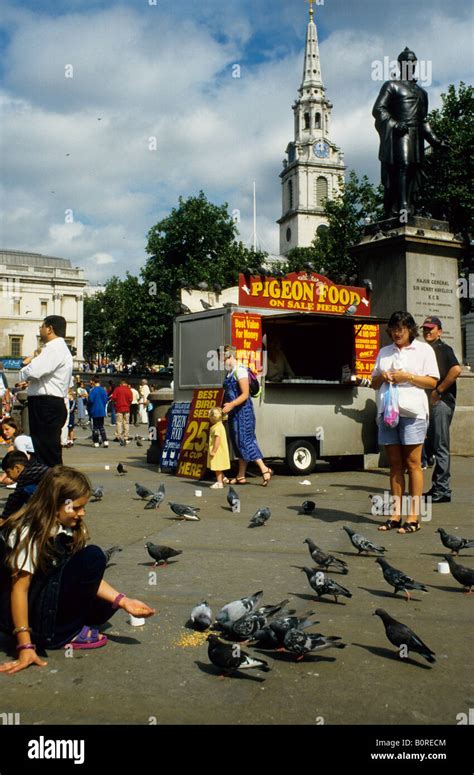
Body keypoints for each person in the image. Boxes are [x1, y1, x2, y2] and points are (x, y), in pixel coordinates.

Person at [0, 466, 155, 672]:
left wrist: (124, 601)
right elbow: (19, 590)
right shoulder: (29, 532)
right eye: (76, 507)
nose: (82, 513)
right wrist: (25, 645)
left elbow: (84, 576)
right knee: (94, 557)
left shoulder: (65, 527)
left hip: (49, 600)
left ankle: (66, 626)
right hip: (34, 617)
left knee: (105, 603)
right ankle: (61, 635)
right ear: (55, 504)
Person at [371, 311, 439, 533]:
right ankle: (395, 514)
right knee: (394, 465)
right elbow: (373, 383)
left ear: (411, 329)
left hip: (413, 414)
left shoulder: (424, 350)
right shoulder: (384, 351)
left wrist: (407, 377)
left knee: (413, 464)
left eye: (401, 328)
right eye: (393, 329)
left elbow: (431, 382)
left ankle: (413, 516)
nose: (397, 333)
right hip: (388, 414)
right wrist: (385, 376)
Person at [372, 47, 447, 218]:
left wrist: (436, 141)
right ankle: (402, 207)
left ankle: (412, 206)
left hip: (416, 136)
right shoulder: (391, 86)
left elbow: (423, 121)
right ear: (400, 65)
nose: (410, 65)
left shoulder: (422, 93)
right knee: (403, 165)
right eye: (406, 62)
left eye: (413, 62)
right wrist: (394, 123)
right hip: (400, 134)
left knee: (414, 169)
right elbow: (378, 109)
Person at [17, 316, 73, 467]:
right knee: (43, 450)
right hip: (47, 403)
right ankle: (48, 484)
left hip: (46, 404)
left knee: (47, 452)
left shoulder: (54, 348)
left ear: (49, 329)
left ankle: (55, 485)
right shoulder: (56, 348)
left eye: (41, 326)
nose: (39, 329)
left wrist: (24, 368)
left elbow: (33, 371)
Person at [422, 316, 461, 503]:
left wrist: (439, 391)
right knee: (433, 446)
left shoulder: (443, 349)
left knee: (440, 447)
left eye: (431, 328)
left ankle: (443, 490)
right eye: (425, 329)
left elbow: (456, 370)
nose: (427, 332)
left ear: (440, 331)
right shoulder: (428, 350)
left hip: (441, 402)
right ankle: (438, 487)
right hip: (432, 404)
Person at [221, 346, 273, 486]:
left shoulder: (240, 370)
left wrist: (231, 405)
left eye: (222, 357)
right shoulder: (229, 372)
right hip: (234, 413)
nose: (220, 360)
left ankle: (264, 469)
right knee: (238, 442)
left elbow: (245, 394)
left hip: (243, 412)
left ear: (228, 356)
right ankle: (241, 475)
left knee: (247, 441)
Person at [0, 451, 49, 523]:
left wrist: (4, 518)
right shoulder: (33, 468)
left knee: (27, 490)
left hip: (62, 499)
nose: (8, 476)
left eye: (8, 472)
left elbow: (15, 498)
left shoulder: (26, 475)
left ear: (17, 468)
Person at [207, 407, 231, 488]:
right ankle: (223, 478)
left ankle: (219, 482)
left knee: (217, 467)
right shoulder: (220, 426)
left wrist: (213, 451)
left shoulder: (216, 428)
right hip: (220, 450)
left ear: (213, 418)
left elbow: (217, 440)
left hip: (217, 451)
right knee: (219, 466)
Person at [87, 379, 109, 448]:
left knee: (95, 427)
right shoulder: (103, 390)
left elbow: (90, 400)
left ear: (94, 382)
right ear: (100, 382)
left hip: (94, 410)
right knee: (101, 426)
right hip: (101, 410)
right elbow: (106, 400)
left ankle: (96, 442)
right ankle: (105, 441)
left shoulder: (92, 390)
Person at [110, 379, 133, 443]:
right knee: (126, 423)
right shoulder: (129, 390)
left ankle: (118, 436)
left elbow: (114, 398)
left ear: (120, 384)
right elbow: (131, 399)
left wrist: (115, 402)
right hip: (127, 408)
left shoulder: (117, 389)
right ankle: (126, 436)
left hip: (119, 408)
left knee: (119, 422)